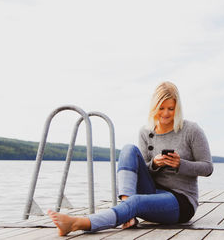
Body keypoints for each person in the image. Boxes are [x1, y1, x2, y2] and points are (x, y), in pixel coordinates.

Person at [48, 81, 214, 236]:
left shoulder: (191, 130)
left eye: (171, 109)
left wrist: (180, 164)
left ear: (177, 108)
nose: (165, 114)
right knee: (128, 149)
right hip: (152, 191)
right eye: (161, 108)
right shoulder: (145, 132)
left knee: (136, 202)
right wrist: (155, 164)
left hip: (181, 201)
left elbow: (207, 168)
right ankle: (127, 212)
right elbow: (142, 169)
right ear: (153, 107)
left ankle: (79, 223)